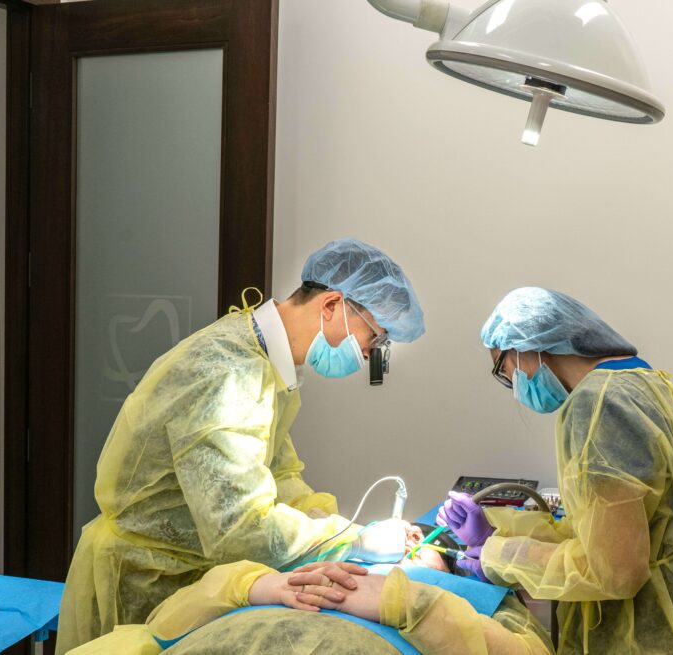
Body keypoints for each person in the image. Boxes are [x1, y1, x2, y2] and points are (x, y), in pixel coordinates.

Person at [57, 239, 426, 653]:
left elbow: (278, 474)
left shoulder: (266, 359)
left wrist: (341, 527)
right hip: (144, 581)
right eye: (373, 338)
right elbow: (239, 527)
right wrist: (347, 541)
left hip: (186, 573)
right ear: (330, 306)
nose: (367, 354)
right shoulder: (226, 372)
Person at [438, 287, 673, 654]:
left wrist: (496, 556)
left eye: (504, 368)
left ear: (527, 347)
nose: (512, 383)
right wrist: (496, 529)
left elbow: (614, 570)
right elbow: (601, 531)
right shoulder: (639, 379)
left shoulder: (597, 405)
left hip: (640, 630)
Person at [67, 551, 553, 655]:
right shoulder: (322, 569)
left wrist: (415, 601)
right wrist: (261, 587)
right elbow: (165, 625)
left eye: (420, 549)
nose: (411, 550)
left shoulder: (457, 594)